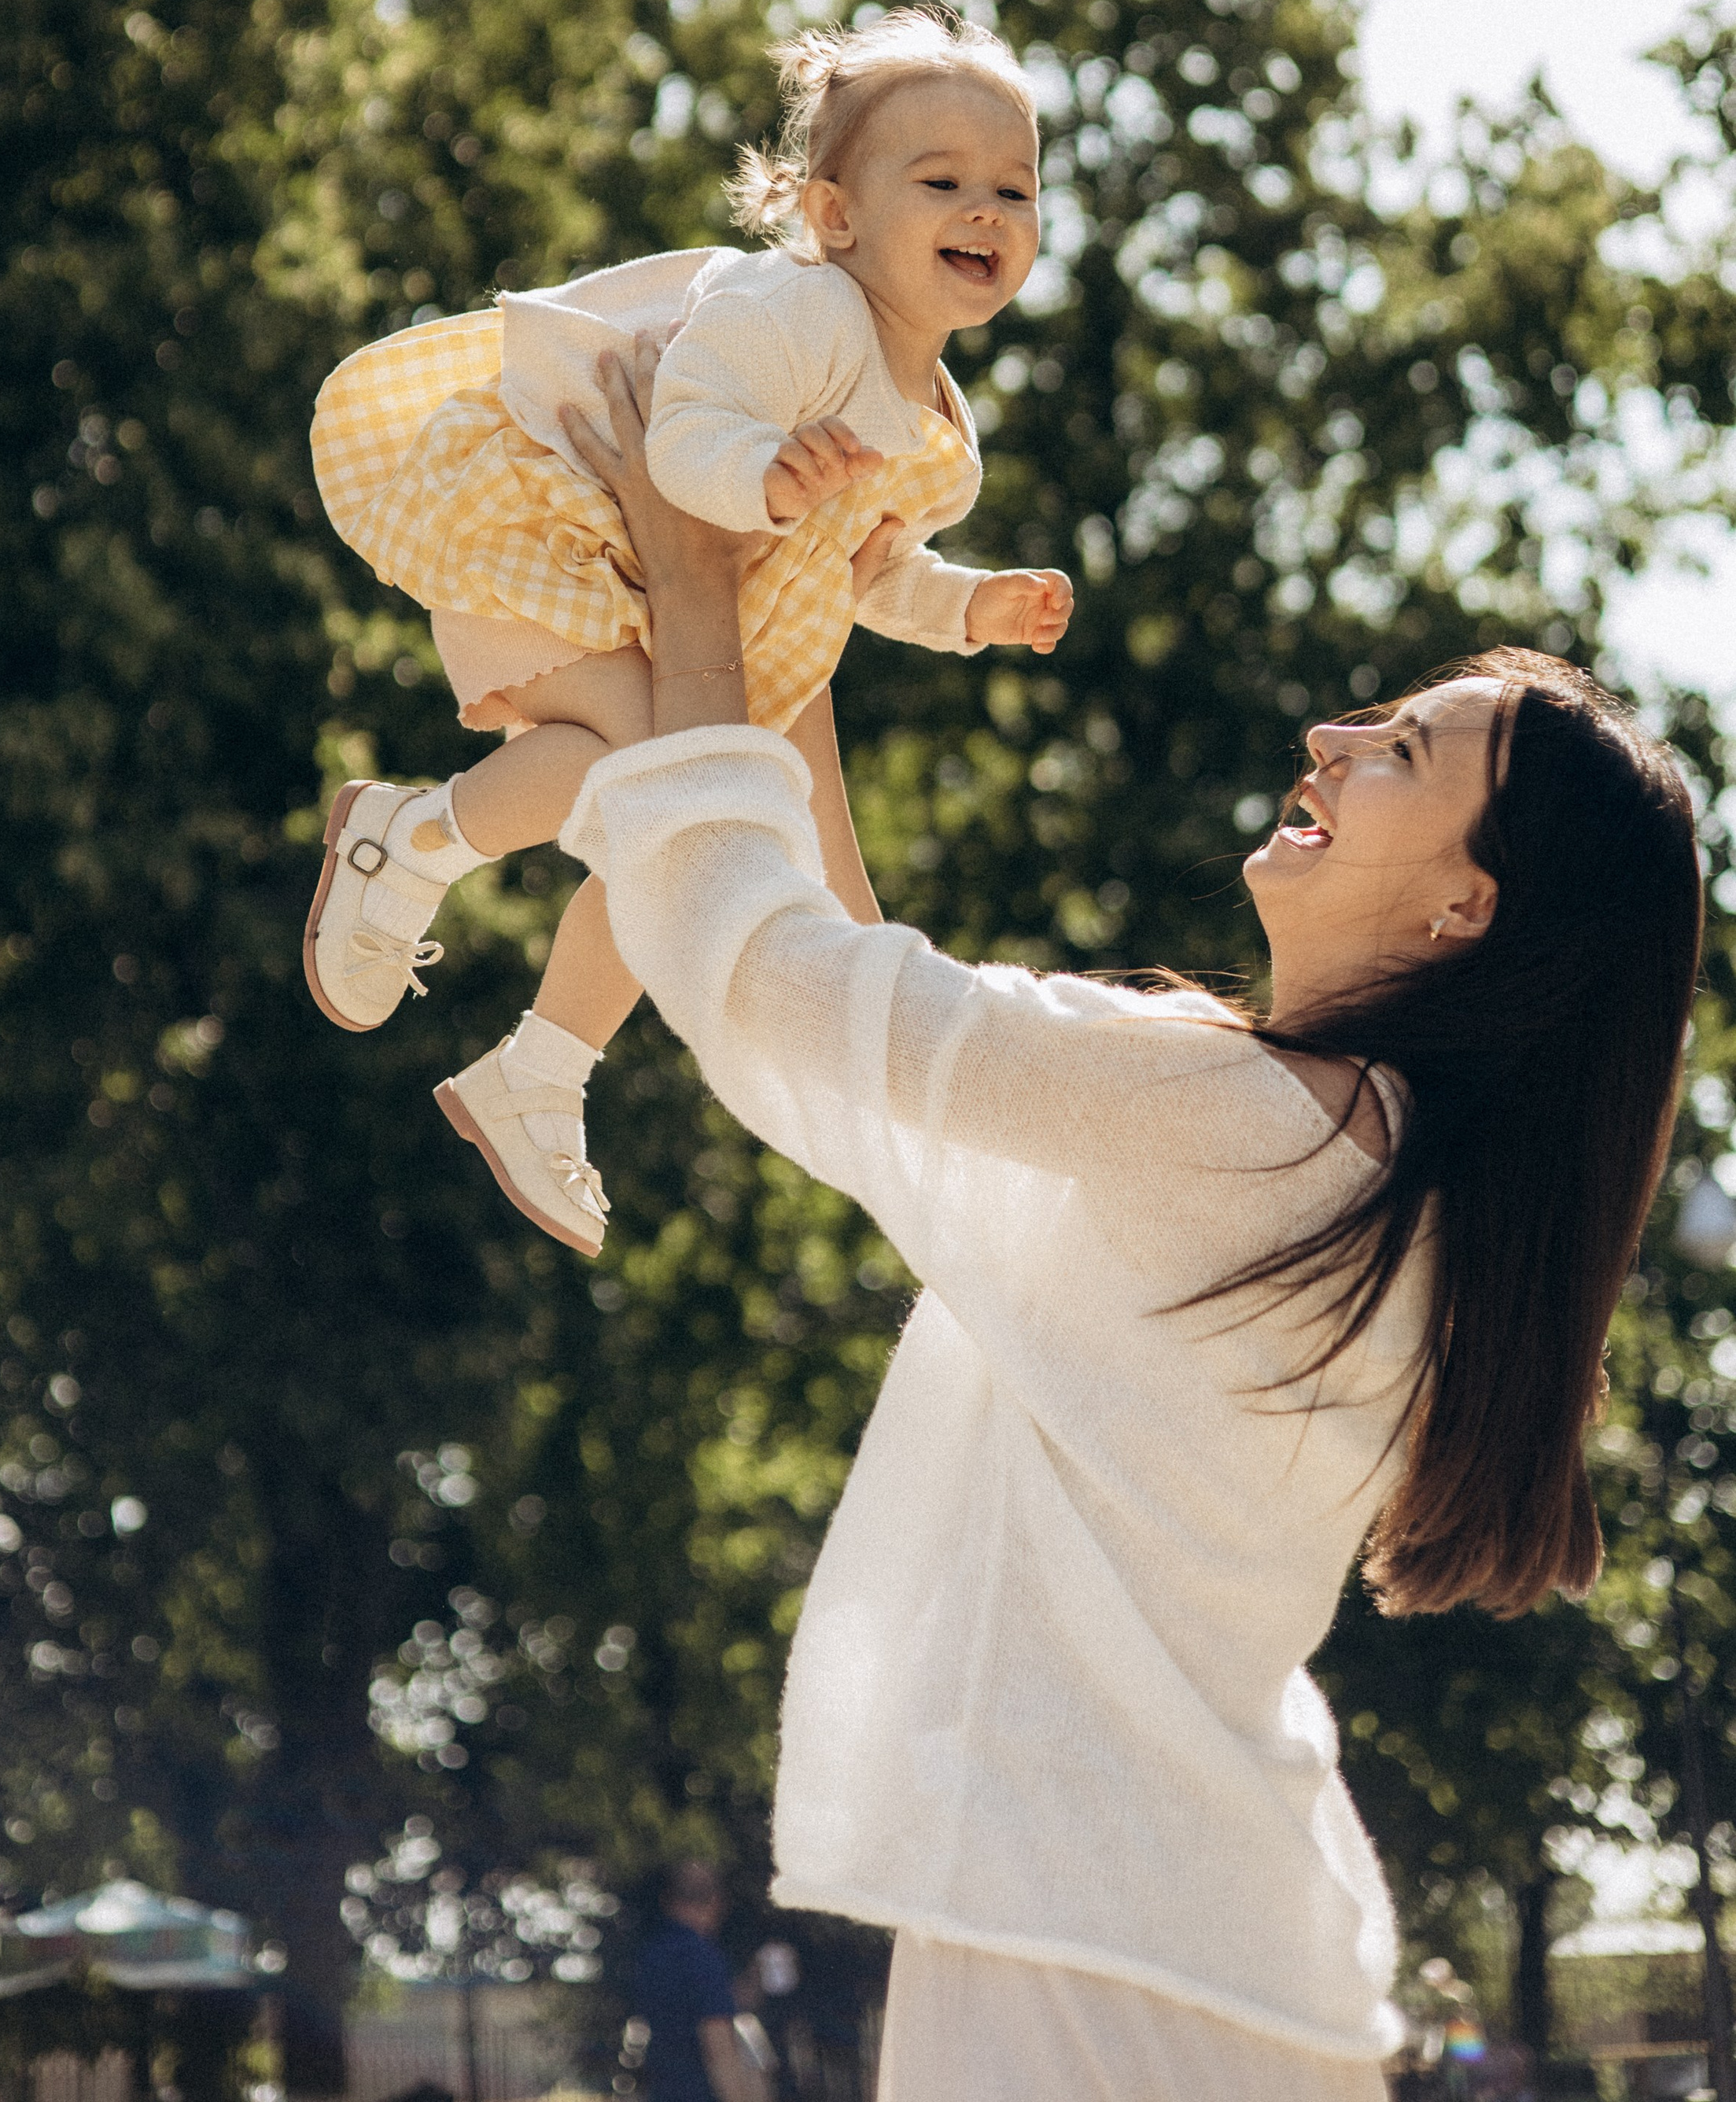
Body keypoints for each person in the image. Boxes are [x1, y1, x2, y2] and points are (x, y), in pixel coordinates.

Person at [549, 352, 1702, 2101]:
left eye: (1395, 752)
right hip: (1207, 1954)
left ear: (1468, 907)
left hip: (1080, 1964)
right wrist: (778, 639)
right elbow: (881, 1037)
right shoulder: (1379, 1185)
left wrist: (683, 557)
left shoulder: (1232, 1125)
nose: (1327, 740)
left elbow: (777, 994)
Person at [301, 7, 1071, 1253]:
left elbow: (871, 574)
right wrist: (766, 476)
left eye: (1015, 190)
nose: (985, 210)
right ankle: (411, 838)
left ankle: (541, 1072)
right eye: (943, 182)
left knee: (681, 817)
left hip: (668, 605)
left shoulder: (935, 427)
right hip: (560, 529)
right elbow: (682, 441)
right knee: (642, 776)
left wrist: (970, 608)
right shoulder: (794, 312)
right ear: (834, 217)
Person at [627, 1860, 762, 2102]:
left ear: (668, 1901)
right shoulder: (703, 1957)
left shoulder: (651, 1955)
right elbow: (717, 2043)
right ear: (715, 1902)